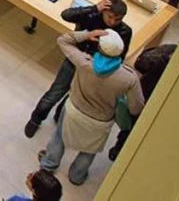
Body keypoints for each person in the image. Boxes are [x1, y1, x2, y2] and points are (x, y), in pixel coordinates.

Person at [38, 30, 143, 185]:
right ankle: (77, 176)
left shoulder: (84, 62)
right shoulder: (129, 78)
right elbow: (136, 107)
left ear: (99, 48)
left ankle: (48, 165)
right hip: (100, 122)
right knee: (89, 150)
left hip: (73, 111)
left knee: (60, 137)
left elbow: (63, 40)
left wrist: (87, 35)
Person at [25, 0, 132, 138]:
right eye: (110, 17)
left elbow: (120, 55)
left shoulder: (124, 31)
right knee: (55, 92)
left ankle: (59, 115)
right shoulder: (92, 15)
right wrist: (94, 8)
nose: (112, 22)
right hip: (75, 59)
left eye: (117, 19)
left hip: (93, 69)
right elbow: (66, 15)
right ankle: (36, 119)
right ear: (104, 11)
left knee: (73, 96)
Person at [107, 43, 177, 160]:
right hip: (146, 97)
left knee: (131, 128)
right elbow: (140, 64)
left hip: (147, 97)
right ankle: (119, 149)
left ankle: (119, 149)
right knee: (131, 128)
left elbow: (140, 64)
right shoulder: (166, 58)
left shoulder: (168, 54)